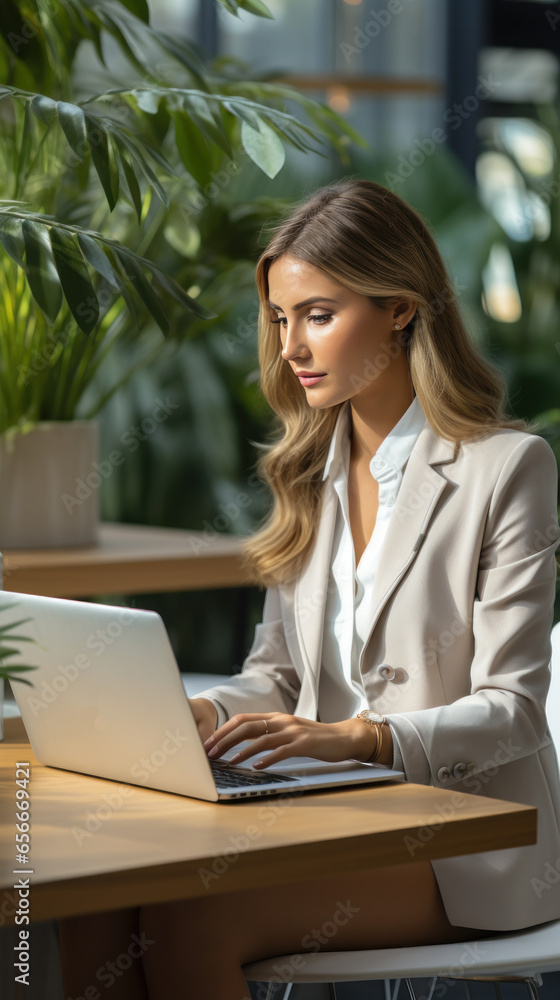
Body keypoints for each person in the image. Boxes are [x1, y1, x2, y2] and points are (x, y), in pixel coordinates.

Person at [59, 178, 560, 1000]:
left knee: (194, 918)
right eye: (282, 319)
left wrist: (363, 739)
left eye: (318, 316)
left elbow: (514, 709)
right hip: (327, 815)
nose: (292, 346)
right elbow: (277, 677)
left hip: (464, 842)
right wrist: (201, 712)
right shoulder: (308, 470)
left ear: (400, 308)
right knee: (93, 901)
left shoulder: (505, 468)